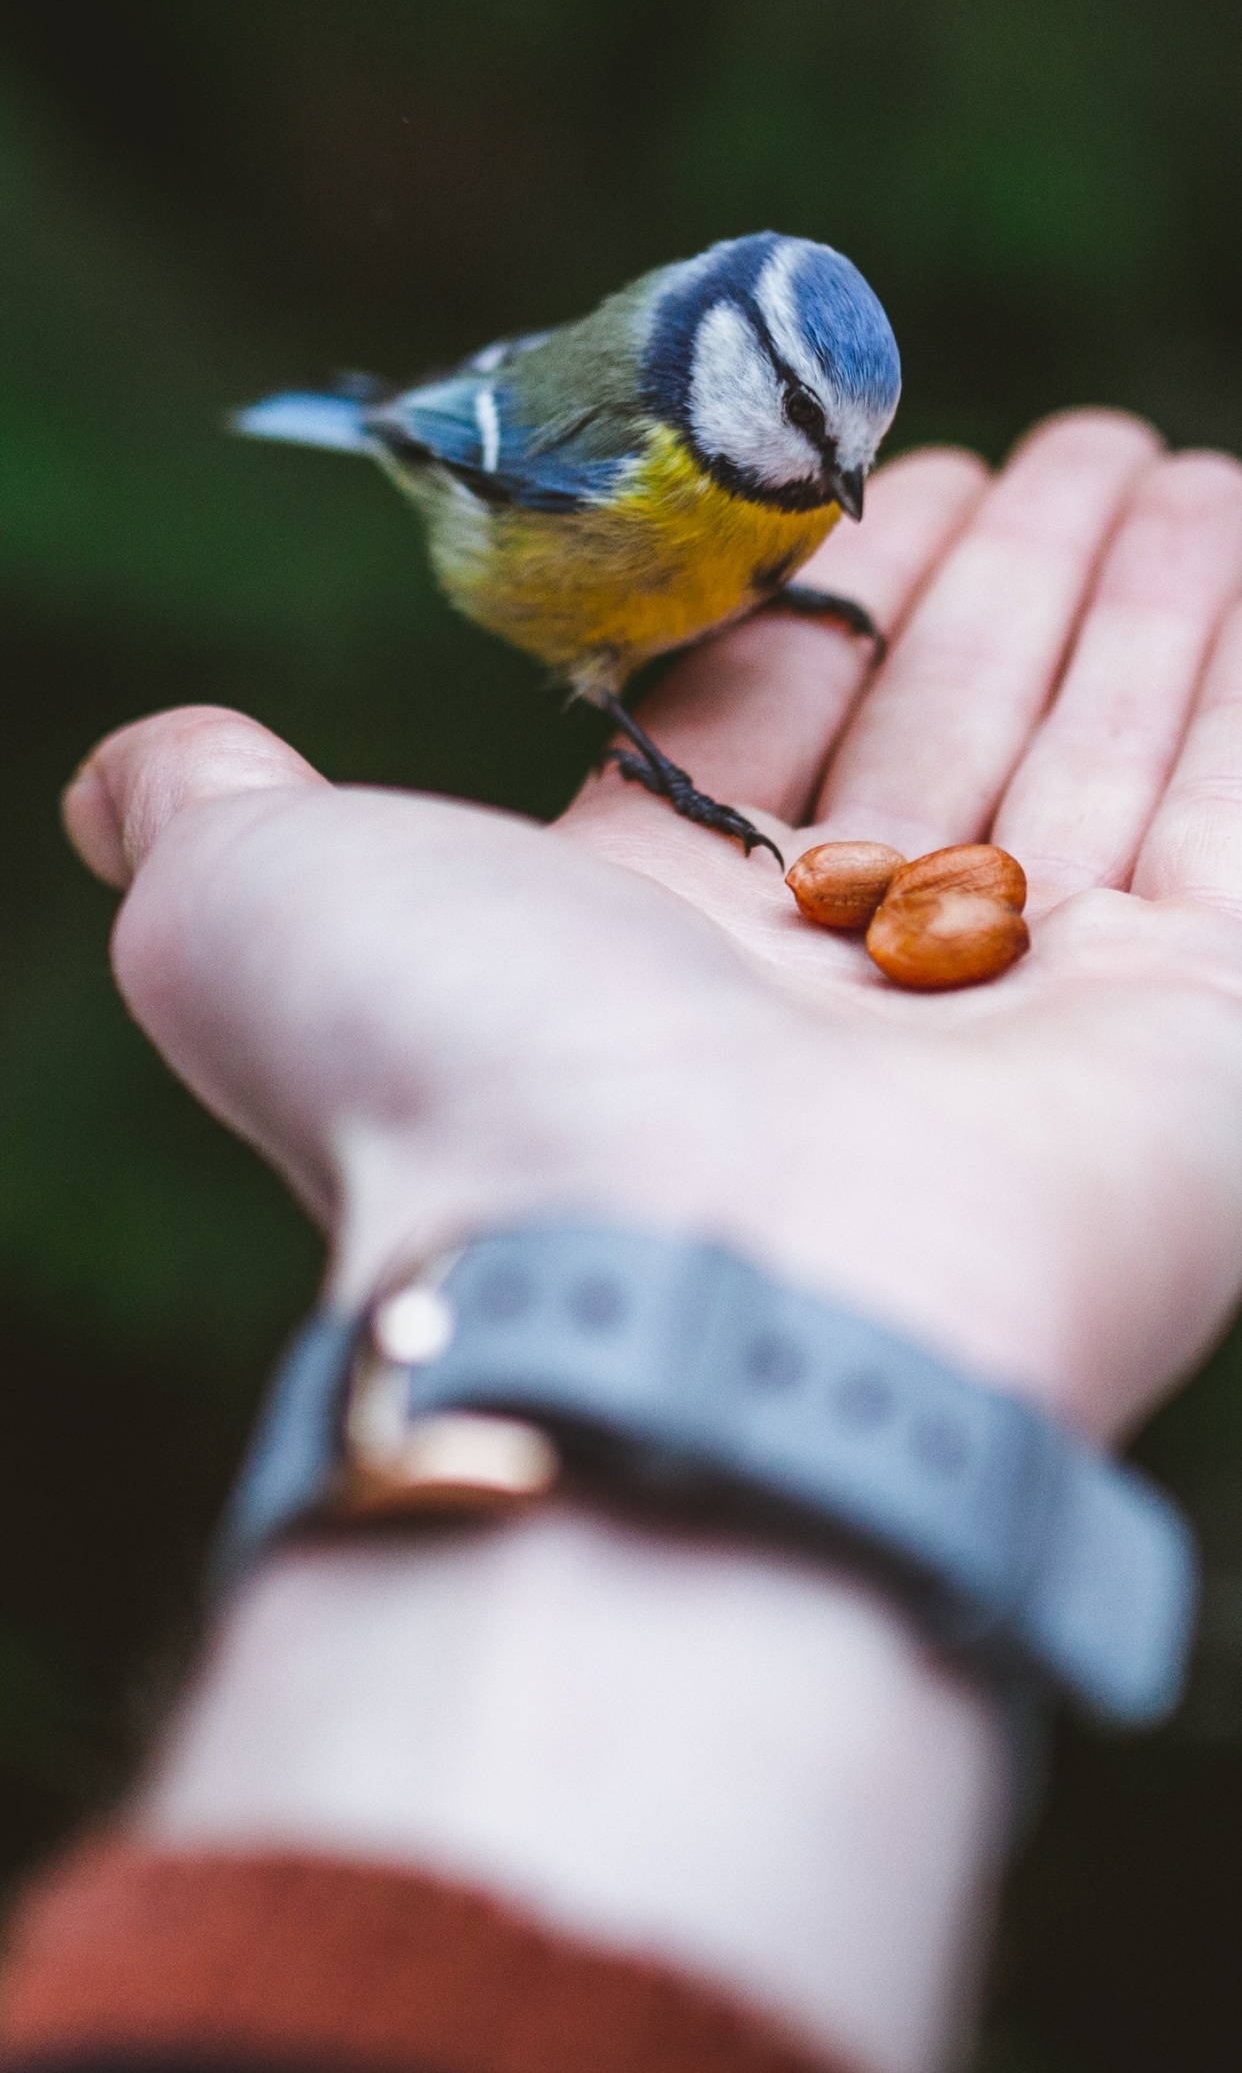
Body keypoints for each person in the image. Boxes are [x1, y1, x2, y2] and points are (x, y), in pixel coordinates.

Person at [4, 408, 1242, 2073]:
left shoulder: (786, 492)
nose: (835, 474)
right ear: (715, 378)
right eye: (799, 424)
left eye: (850, 443)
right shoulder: (623, 434)